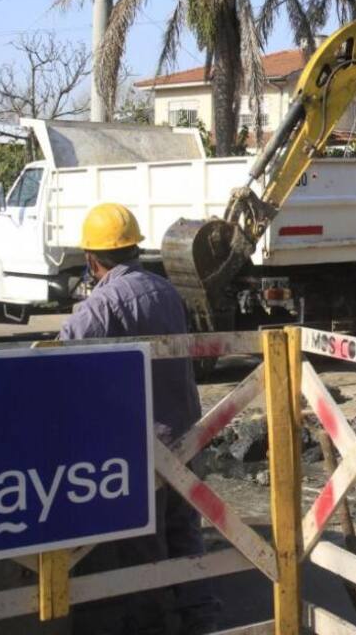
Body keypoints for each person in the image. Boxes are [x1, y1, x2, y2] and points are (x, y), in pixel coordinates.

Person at [59, 202, 219, 635]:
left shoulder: (103, 303)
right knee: (185, 532)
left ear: (93, 259)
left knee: (143, 544)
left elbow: (61, 353)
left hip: (141, 445)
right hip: (185, 433)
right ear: (134, 247)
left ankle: (154, 623)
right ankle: (199, 615)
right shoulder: (164, 290)